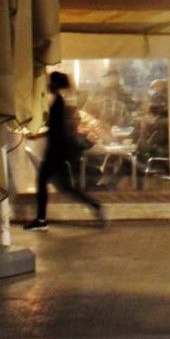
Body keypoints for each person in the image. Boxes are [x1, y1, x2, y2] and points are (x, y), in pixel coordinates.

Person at [24, 71, 104, 230]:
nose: (47, 85)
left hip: (56, 150)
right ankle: (95, 206)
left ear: (54, 85)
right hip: (59, 150)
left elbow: (55, 129)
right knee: (65, 187)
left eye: (50, 82)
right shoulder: (60, 102)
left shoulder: (58, 103)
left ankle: (41, 219)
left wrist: (36, 135)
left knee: (43, 182)